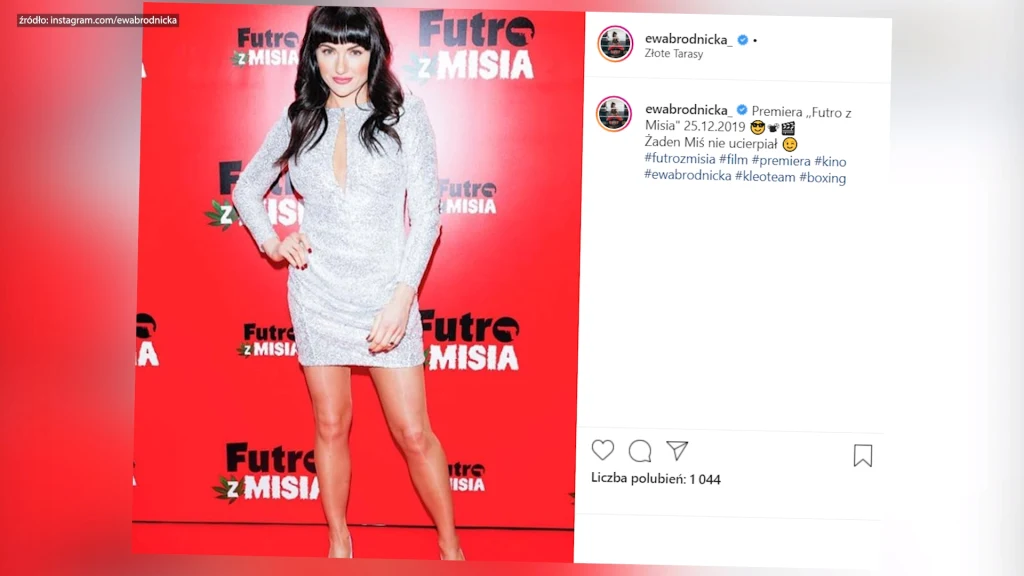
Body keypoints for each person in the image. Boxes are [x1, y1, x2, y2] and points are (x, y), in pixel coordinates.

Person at [230, 6, 463, 561]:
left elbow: (426, 217)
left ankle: (451, 551)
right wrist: (273, 242)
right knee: (331, 424)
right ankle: (339, 544)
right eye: (328, 49)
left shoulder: (403, 115)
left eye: (354, 50)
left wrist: (403, 298)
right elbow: (246, 189)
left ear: (372, 54)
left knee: (413, 433)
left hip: (386, 299)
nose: (341, 64)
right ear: (312, 54)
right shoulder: (300, 117)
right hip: (318, 294)